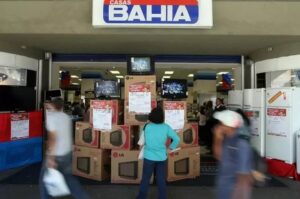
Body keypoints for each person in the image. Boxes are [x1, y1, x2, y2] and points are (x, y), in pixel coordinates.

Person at [39, 98, 89, 199]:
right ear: (62, 106)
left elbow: (53, 139)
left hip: (56, 154)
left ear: (53, 105)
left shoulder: (52, 118)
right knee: (69, 179)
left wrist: (50, 158)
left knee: (43, 180)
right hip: (67, 152)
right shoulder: (66, 117)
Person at [136, 107, 180, 199]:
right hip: (162, 157)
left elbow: (141, 142)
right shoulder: (166, 127)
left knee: (145, 179)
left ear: (151, 116)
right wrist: (170, 148)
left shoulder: (147, 126)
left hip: (148, 157)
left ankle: (141, 197)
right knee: (161, 180)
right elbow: (177, 139)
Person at [213, 110, 253, 199]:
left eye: (221, 123)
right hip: (224, 186)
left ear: (229, 126)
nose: (219, 125)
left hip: (233, 190)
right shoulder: (227, 138)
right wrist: (217, 138)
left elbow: (244, 176)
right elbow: (218, 156)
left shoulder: (241, 144)